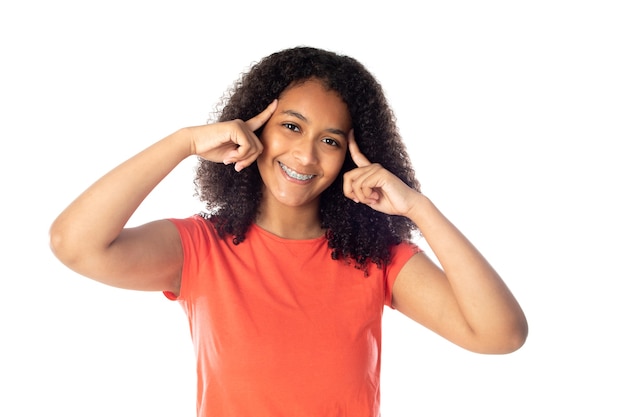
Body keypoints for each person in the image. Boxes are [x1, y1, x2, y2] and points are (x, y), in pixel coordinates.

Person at [49, 46, 528, 416]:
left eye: (329, 140)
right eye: (292, 127)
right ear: (255, 126)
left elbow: (502, 334)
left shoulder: (374, 259)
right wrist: (185, 142)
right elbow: (74, 244)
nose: (305, 156)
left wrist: (418, 208)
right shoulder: (201, 249)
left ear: (350, 155)